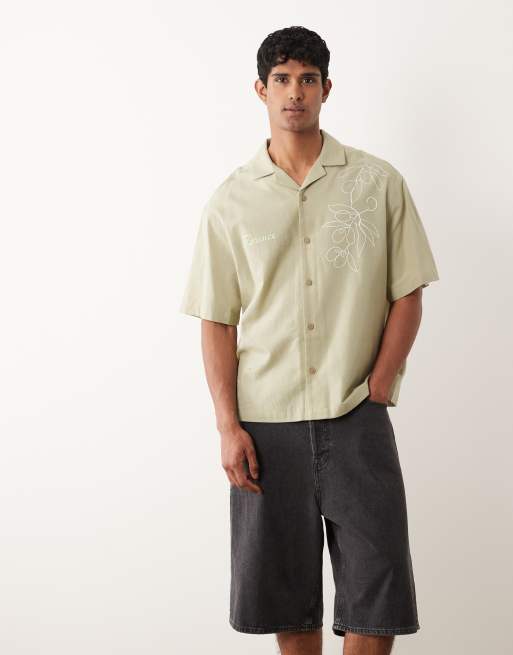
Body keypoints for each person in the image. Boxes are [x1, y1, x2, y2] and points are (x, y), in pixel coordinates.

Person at [179, 25, 439, 655]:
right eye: (282, 80)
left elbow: (408, 292)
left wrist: (380, 385)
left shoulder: (377, 183)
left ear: (326, 88)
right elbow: (217, 320)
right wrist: (227, 426)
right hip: (266, 427)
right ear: (261, 90)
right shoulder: (230, 202)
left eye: (307, 79)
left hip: (356, 415)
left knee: (378, 598)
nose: (294, 92)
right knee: (288, 598)